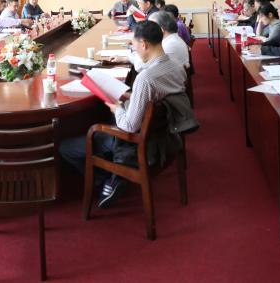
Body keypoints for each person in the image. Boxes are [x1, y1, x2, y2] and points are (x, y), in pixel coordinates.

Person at [59, 21, 186, 208]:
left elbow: (129, 126)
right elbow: (158, 95)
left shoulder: (145, 78)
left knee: (66, 147)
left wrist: (116, 107)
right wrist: (129, 96)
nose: (134, 50)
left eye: (134, 45)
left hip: (141, 142)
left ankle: (107, 180)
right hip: (166, 134)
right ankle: (115, 176)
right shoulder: (176, 66)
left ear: (144, 44)